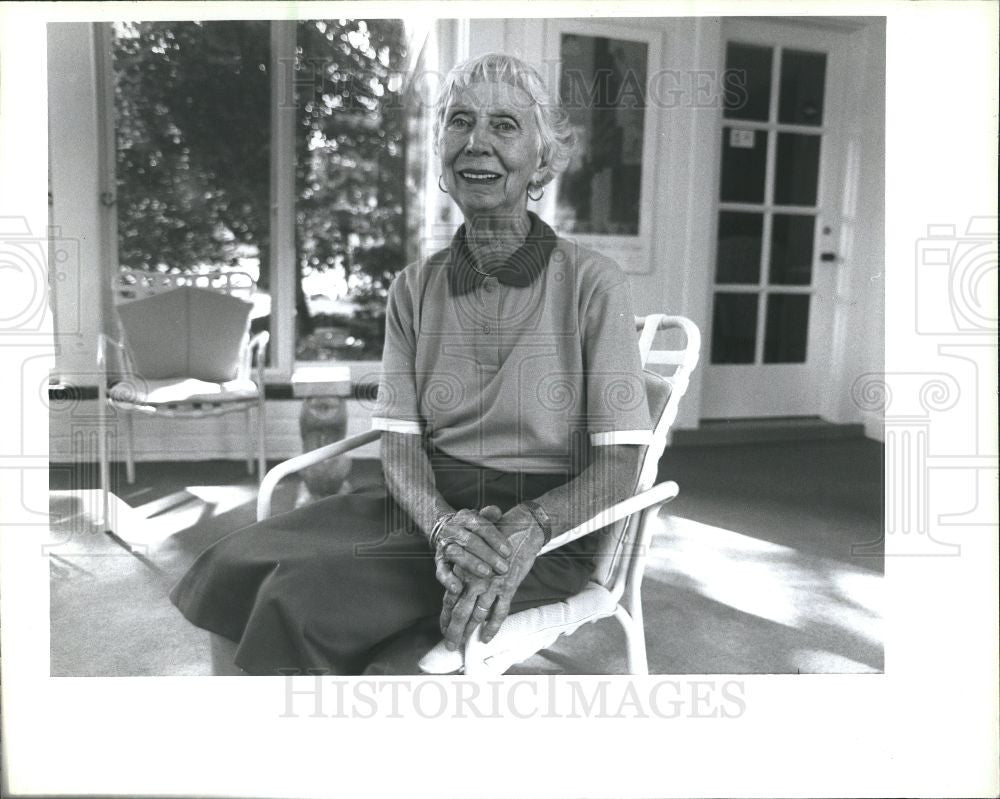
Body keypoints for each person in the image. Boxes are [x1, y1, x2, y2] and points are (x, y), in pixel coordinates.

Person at [170, 52, 652, 675]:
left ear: (543, 158)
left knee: (298, 603)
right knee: (231, 565)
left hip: (545, 524)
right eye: (459, 122)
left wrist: (527, 531)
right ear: (442, 152)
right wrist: (443, 526)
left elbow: (622, 463)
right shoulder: (413, 288)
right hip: (425, 506)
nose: (476, 142)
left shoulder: (593, 281)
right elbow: (399, 445)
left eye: (505, 125)